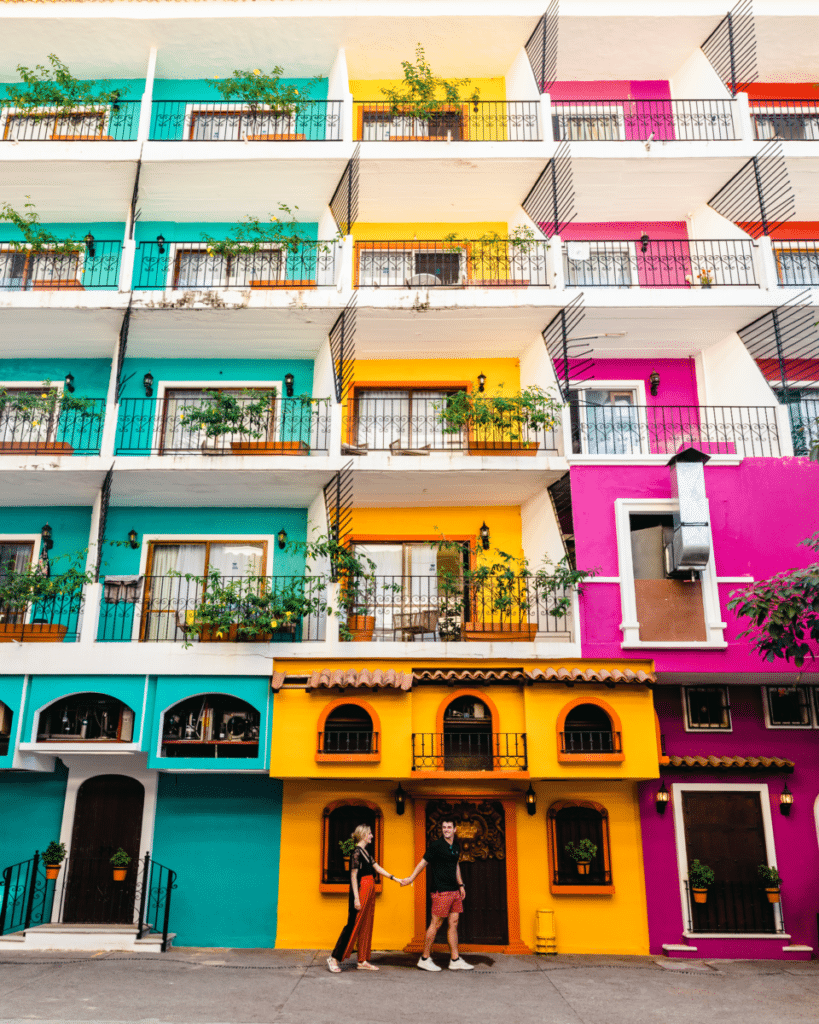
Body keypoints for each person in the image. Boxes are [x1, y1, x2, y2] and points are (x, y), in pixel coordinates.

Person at [327, 824, 402, 973]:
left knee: (367, 923)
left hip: (370, 888)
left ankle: (362, 960)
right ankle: (334, 958)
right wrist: (356, 898)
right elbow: (353, 876)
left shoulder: (366, 853)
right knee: (352, 924)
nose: (372, 836)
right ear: (363, 835)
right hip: (361, 890)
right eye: (370, 834)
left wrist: (395, 878)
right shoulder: (356, 852)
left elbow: (377, 868)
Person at [401, 818, 474, 971]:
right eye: (444, 827)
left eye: (449, 827)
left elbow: (456, 866)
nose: (446, 829)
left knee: (453, 923)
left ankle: (455, 959)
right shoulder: (436, 846)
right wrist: (410, 878)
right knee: (436, 924)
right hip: (441, 891)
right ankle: (424, 958)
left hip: (454, 891)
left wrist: (460, 884)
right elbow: (423, 863)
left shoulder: (455, 847)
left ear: (455, 829)